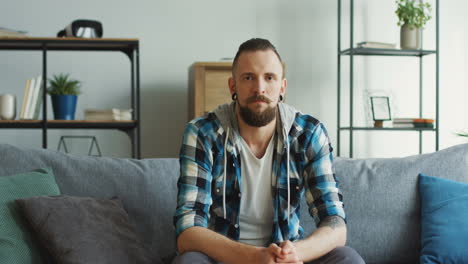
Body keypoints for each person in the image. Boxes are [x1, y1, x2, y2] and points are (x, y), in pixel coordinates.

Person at [173, 38, 364, 264]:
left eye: (269, 78)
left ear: (282, 87)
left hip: (287, 259)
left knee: (347, 258)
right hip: (225, 259)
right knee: (189, 261)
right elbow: (187, 231)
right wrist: (255, 257)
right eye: (248, 77)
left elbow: (335, 223)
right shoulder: (204, 133)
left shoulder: (308, 134)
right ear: (232, 86)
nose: (259, 88)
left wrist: (295, 253)